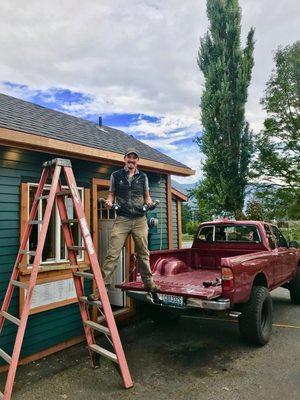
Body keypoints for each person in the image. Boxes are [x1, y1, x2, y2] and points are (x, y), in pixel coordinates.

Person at [88, 148, 160, 301]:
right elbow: (111, 194)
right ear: (124, 159)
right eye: (129, 157)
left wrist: (151, 204)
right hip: (122, 219)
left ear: (137, 161)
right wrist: (109, 202)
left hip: (140, 219)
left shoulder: (143, 177)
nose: (131, 160)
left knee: (143, 253)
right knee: (112, 255)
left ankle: (149, 284)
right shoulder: (116, 175)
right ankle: (101, 290)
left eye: (134, 158)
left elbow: (146, 197)